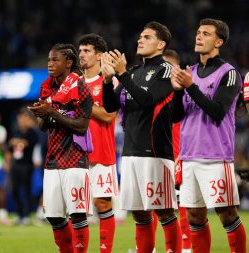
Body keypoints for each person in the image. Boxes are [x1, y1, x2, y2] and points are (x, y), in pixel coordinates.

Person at [102, 21, 182, 253]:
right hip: (130, 152)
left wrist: (122, 74)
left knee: (164, 211)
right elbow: (110, 106)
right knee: (139, 213)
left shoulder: (165, 70)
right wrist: (108, 81)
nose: (140, 40)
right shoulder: (135, 73)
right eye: (140, 36)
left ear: (161, 44)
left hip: (154, 152)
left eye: (147, 37)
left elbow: (148, 100)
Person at [171, 18, 247, 253]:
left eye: (206, 33)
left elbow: (218, 111)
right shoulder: (190, 72)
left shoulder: (229, 73)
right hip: (188, 154)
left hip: (215, 156)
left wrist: (191, 87)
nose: (199, 36)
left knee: (226, 214)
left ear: (219, 41)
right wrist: (176, 92)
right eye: (198, 32)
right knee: (194, 216)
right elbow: (176, 116)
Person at [29, 43, 93, 252]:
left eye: (55, 60)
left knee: (77, 214)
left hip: (75, 158)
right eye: (49, 60)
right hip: (53, 159)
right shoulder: (47, 88)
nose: (50, 64)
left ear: (68, 62)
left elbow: (82, 127)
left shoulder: (80, 87)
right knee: (54, 216)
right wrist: (41, 113)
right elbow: (42, 127)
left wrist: (53, 112)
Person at [78, 33, 118, 253]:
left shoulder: (108, 80)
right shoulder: (74, 82)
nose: (81, 55)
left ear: (100, 55)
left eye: (87, 51)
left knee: (102, 204)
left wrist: (82, 103)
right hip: (75, 155)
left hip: (101, 152)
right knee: (77, 208)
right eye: (80, 50)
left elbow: (109, 115)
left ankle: (105, 250)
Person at [163, 49, 192, 253]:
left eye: (168, 67)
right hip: (158, 154)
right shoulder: (155, 92)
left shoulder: (184, 91)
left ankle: (187, 247)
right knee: (157, 205)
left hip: (180, 153)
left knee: (183, 202)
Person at [8, 108, 39, 225]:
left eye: (24, 118)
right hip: (16, 164)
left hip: (27, 165)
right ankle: (20, 214)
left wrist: (17, 142)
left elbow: (28, 143)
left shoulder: (32, 132)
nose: (21, 120)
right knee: (14, 190)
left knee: (26, 190)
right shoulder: (16, 131)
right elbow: (10, 147)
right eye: (20, 118)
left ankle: (26, 215)